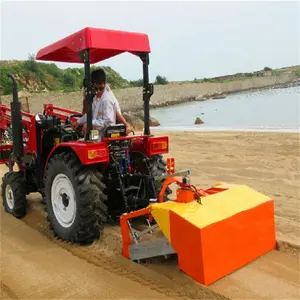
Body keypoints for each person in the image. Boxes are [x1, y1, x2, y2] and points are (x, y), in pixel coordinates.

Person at [72, 68, 116, 141]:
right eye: (96, 89)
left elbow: (107, 121)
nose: (98, 92)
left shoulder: (106, 100)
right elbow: (90, 114)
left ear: (105, 84)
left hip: (104, 139)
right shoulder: (96, 99)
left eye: (101, 88)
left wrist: (90, 124)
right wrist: (78, 122)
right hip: (96, 136)